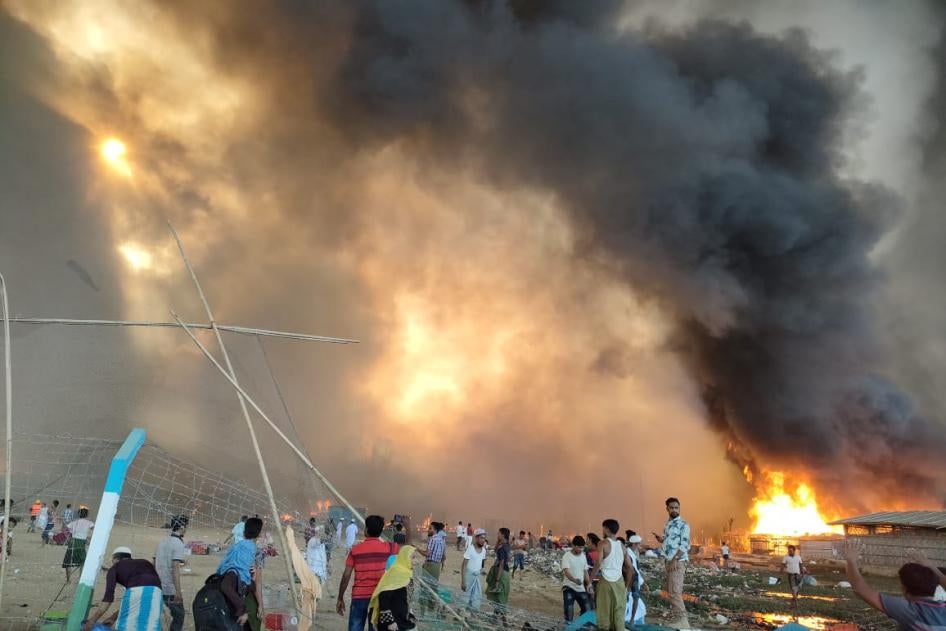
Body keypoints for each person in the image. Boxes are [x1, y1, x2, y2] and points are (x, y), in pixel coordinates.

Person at [844, 540, 946, 629]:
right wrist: (930, 566)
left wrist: (851, 560)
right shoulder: (943, 608)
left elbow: (860, 589)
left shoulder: (911, 612)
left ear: (904, 589)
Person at [337, 515, 398, 631]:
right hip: (377, 598)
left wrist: (340, 598)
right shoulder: (387, 547)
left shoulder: (355, 550)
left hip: (359, 597)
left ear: (367, 530)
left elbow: (346, 576)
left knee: (355, 628)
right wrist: (407, 527)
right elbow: (407, 546)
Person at [83, 546, 163, 631]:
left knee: (126, 625)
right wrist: (113, 617)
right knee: (150, 624)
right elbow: (131, 602)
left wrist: (92, 621)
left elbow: (108, 598)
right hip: (157, 593)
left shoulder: (115, 568)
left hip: (137, 590)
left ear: (115, 559)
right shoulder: (144, 562)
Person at [214, 516, 264, 630]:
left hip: (236, 582)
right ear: (259, 534)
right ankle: (243, 611)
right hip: (246, 591)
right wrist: (260, 605)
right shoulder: (257, 552)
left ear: (244, 531)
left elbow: (224, 563)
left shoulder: (236, 547)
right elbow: (258, 582)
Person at [589, 519, 633, 631]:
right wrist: (626, 586)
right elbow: (630, 568)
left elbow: (598, 564)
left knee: (604, 611)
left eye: (603, 528)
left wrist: (589, 581)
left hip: (606, 582)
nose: (602, 531)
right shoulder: (622, 546)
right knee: (619, 612)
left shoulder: (603, 543)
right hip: (619, 582)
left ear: (606, 529)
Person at [653, 497, 690, 628]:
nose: (674, 510)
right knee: (671, 591)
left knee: (675, 591)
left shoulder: (683, 525)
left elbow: (684, 545)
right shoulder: (667, 525)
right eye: (671, 507)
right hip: (669, 561)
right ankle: (677, 619)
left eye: (676, 507)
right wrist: (661, 539)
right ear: (667, 509)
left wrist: (675, 559)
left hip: (678, 561)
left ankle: (683, 621)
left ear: (679, 508)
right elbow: (669, 542)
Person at [370, 545, 418, 631]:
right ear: (405, 558)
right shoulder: (395, 574)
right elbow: (383, 597)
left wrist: (409, 614)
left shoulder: (407, 574)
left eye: (416, 557)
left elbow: (404, 599)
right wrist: (390, 622)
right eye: (413, 557)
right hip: (392, 624)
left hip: (401, 620)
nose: (416, 561)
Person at [154, 515, 188, 631]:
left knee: (157, 614)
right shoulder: (178, 544)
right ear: (182, 527)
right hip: (169, 588)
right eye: (186, 527)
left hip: (157, 585)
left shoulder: (162, 541)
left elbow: (154, 562)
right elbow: (175, 568)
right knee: (179, 615)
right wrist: (178, 591)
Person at [416, 521, 447, 615]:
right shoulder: (442, 540)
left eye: (430, 528)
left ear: (435, 530)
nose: (428, 530)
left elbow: (427, 553)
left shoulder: (432, 539)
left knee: (424, 587)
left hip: (430, 565)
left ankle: (422, 611)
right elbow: (444, 556)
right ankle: (431, 609)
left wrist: (417, 549)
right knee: (433, 587)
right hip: (437, 566)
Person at [562, 535, 592, 622]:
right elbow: (566, 572)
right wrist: (574, 580)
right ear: (573, 545)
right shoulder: (567, 556)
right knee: (569, 611)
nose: (581, 549)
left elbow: (585, 571)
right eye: (579, 547)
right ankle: (568, 625)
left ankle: (580, 625)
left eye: (582, 547)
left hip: (580, 588)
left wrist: (589, 584)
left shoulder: (583, 556)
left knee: (587, 609)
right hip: (569, 587)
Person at [486, 527, 512, 623]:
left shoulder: (502, 548)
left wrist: (497, 580)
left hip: (501, 573)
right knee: (499, 596)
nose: (497, 535)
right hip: (506, 573)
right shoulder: (507, 545)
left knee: (499, 597)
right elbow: (496, 549)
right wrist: (498, 540)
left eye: (499, 534)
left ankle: (504, 620)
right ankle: (495, 617)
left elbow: (501, 564)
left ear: (503, 535)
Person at [63, 507, 94, 582]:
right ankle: (80, 579)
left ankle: (68, 580)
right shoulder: (89, 523)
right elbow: (95, 529)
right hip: (81, 543)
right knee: (83, 562)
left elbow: (65, 529)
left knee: (68, 561)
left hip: (73, 542)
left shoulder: (74, 522)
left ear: (78, 514)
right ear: (86, 515)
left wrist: (68, 537)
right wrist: (89, 538)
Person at [461, 528, 488, 611]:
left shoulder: (484, 550)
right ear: (476, 538)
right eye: (481, 538)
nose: (483, 540)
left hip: (477, 578)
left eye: (484, 538)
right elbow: (464, 566)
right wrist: (463, 581)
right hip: (468, 578)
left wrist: (482, 570)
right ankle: (460, 615)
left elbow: (482, 562)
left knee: (476, 598)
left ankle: (472, 615)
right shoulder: (470, 549)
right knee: (464, 599)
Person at [627, 534, 646, 625]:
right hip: (632, 578)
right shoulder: (629, 553)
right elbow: (633, 570)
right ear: (634, 544)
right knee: (635, 598)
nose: (639, 546)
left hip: (634, 578)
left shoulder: (632, 552)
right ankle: (631, 620)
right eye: (638, 544)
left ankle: (631, 619)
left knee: (634, 599)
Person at [783, 544, 805, 608]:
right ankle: (796, 604)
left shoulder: (798, 557)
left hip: (798, 575)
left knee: (797, 589)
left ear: (794, 551)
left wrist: (802, 572)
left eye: (791, 551)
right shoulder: (786, 557)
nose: (789, 552)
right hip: (791, 575)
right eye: (788, 551)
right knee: (793, 589)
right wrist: (782, 570)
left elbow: (801, 564)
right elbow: (783, 564)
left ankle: (792, 602)